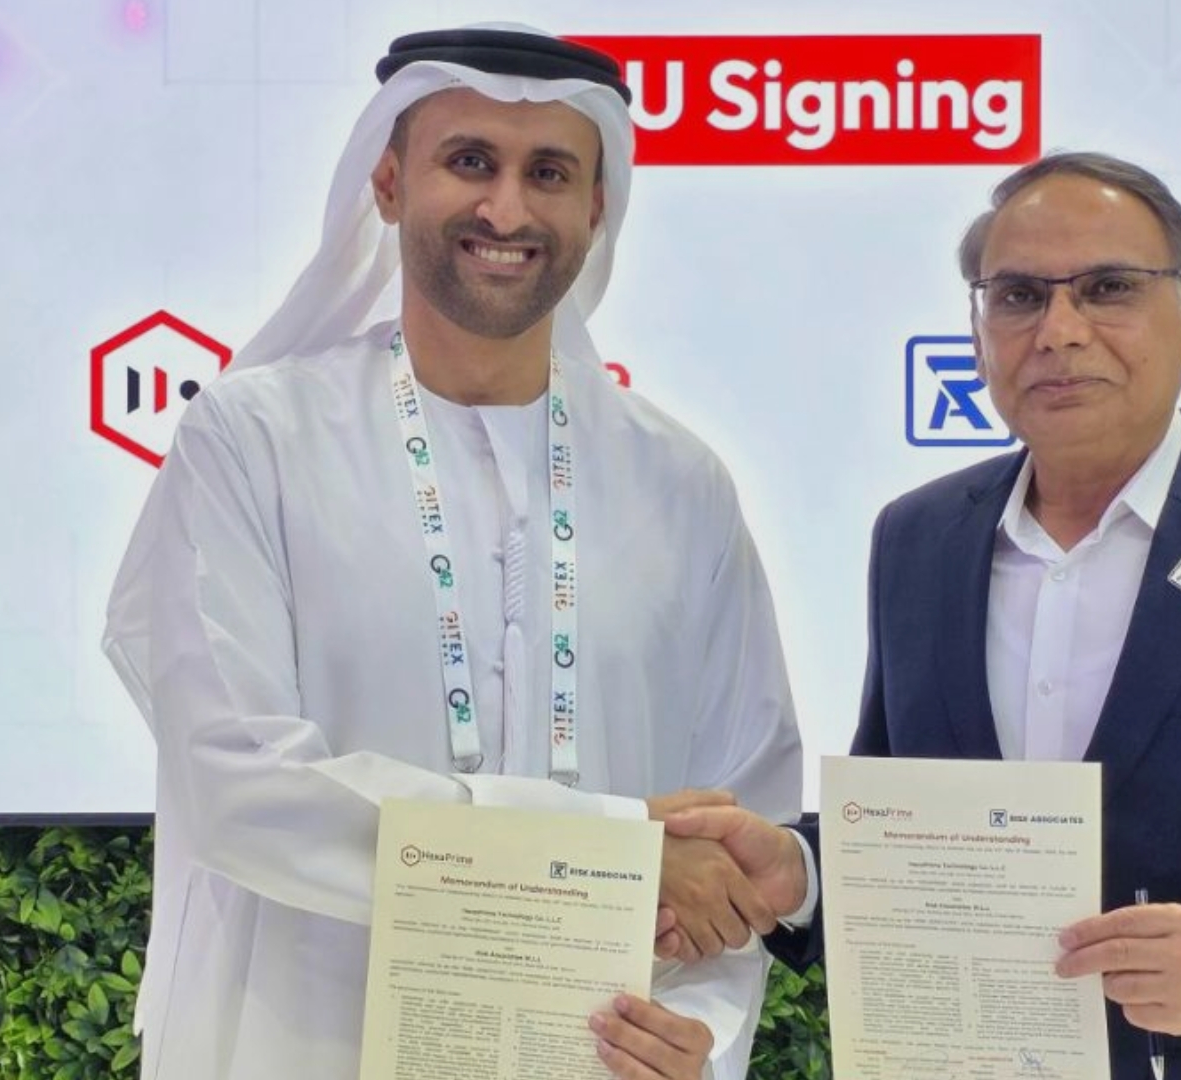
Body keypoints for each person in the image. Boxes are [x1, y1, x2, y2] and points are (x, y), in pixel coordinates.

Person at [664, 151, 1181, 1078]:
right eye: (1016, 296)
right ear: (978, 330)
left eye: (1108, 288)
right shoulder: (919, 540)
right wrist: (803, 874)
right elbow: (913, 824)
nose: (1058, 330)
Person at [102, 26, 801, 1080]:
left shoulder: (680, 480)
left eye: (550, 173)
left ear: (597, 208)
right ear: (387, 183)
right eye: (469, 160)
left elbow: (735, 814)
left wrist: (701, 1030)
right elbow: (236, 786)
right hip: (306, 1046)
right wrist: (606, 846)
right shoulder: (253, 440)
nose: (507, 210)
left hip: (594, 1056)